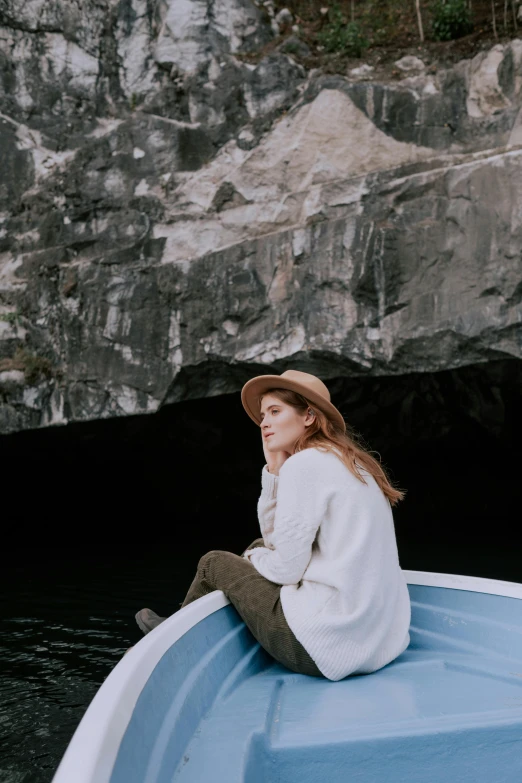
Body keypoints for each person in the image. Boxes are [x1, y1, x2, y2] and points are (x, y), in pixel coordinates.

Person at [134, 369, 411, 681]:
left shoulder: (305, 465)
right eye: (264, 414)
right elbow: (275, 541)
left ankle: (171, 639)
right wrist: (275, 471)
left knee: (214, 564)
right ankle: (201, 625)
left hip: (321, 647)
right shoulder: (352, 462)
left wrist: (254, 557)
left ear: (308, 416)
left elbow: (285, 569)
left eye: (275, 411)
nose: (264, 422)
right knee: (258, 548)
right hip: (374, 644)